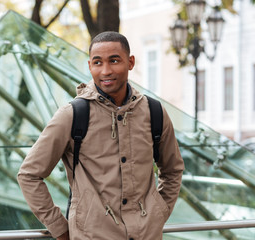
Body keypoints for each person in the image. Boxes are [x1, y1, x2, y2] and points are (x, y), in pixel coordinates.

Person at [17, 31, 184, 240]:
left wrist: (158, 213)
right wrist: (60, 229)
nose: (106, 71)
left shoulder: (154, 112)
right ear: (89, 66)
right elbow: (29, 175)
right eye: (98, 63)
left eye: (114, 61)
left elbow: (173, 169)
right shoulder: (71, 115)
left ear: (130, 62)